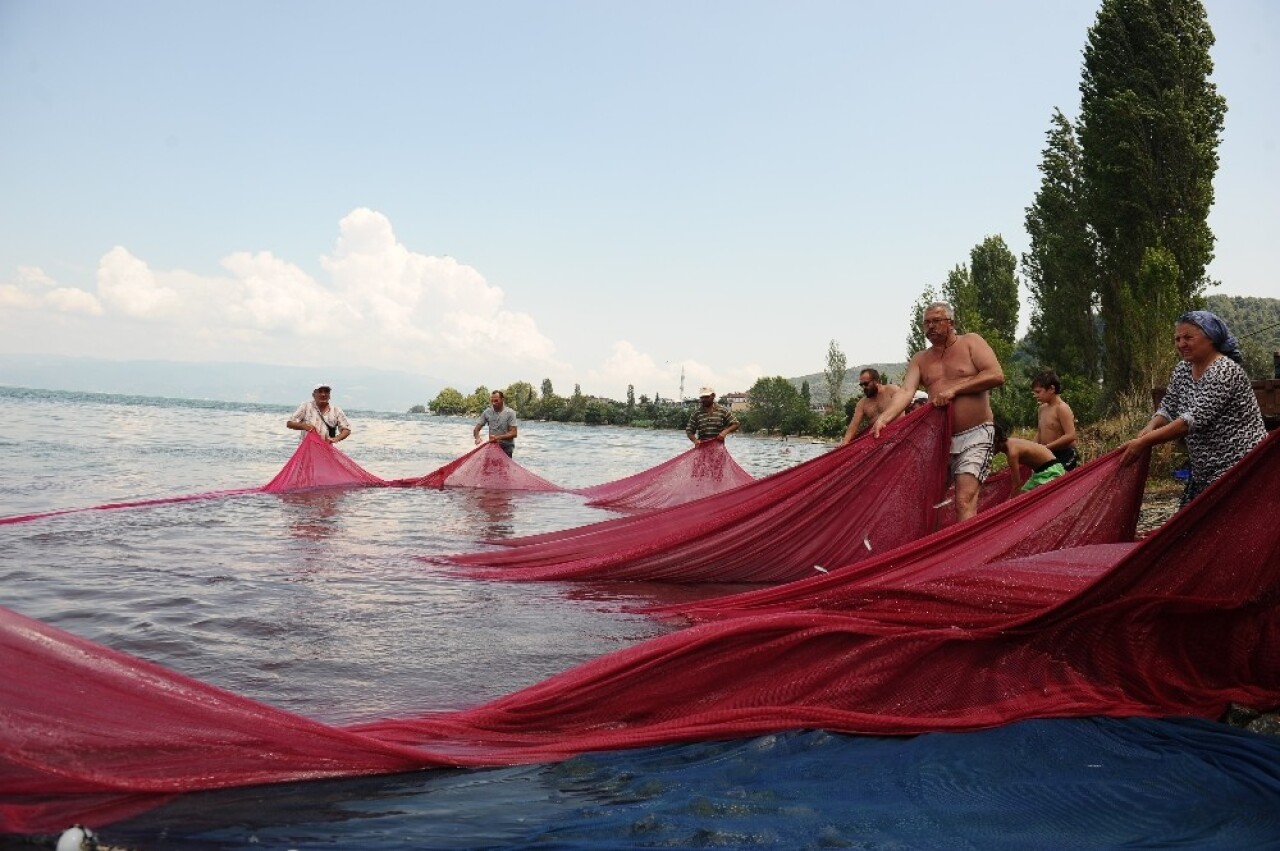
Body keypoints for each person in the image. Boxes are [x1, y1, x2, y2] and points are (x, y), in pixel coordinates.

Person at [872, 301, 1005, 521]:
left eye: (936, 321)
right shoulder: (920, 359)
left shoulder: (971, 341)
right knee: (927, 501)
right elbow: (906, 392)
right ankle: (934, 553)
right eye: (926, 323)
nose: (930, 327)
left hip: (977, 433)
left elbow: (996, 375)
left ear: (951, 323)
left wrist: (954, 390)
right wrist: (884, 419)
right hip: (938, 439)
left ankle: (968, 554)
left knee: (964, 500)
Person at [1121, 310, 1266, 507]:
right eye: (1177, 339)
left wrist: (1145, 442)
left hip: (1240, 469)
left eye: (1188, 337)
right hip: (1205, 472)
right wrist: (1150, 426)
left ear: (1211, 338)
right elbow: (1169, 405)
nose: (1181, 344)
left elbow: (1191, 421)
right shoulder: (1183, 369)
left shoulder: (1225, 371)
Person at [993, 421, 1065, 496]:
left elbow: (1017, 485)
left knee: (1032, 498)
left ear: (997, 440)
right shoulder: (1010, 442)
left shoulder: (1012, 453)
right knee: (1024, 493)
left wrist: (1012, 504)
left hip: (1051, 470)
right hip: (1039, 472)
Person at [839, 368, 903, 446]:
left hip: (899, 435)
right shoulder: (862, 403)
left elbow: (905, 403)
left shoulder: (892, 390)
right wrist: (845, 442)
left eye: (866, 384)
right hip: (878, 442)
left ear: (876, 381)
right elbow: (854, 425)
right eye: (861, 385)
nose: (864, 387)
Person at [1031, 370, 1079, 470]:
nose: (1035, 395)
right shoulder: (1042, 408)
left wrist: (1046, 447)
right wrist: (1031, 448)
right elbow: (1040, 432)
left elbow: (1071, 435)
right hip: (1048, 454)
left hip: (1064, 454)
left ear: (1051, 389)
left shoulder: (1062, 408)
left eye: (1038, 392)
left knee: (1058, 480)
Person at [287, 383, 351, 443]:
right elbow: (289, 423)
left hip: (326, 450)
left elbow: (346, 429)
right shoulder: (305, 406)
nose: (323, 394)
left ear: (329, 396)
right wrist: (304, 426)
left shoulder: (336, 410)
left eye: (326, 392)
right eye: (320, 391)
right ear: (313, 395)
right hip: (307, 449)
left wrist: (336, 438)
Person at [474, 390, 519, 457]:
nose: (493, 403)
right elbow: (476, 429)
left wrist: (498, 437)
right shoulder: (487, 412)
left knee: (503, 467)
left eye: (496, 401)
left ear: (502, 400)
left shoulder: (510, 413)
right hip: (492, 447)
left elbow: (514, 433)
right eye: (492, 401)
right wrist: (477, 438)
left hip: (506, 448)